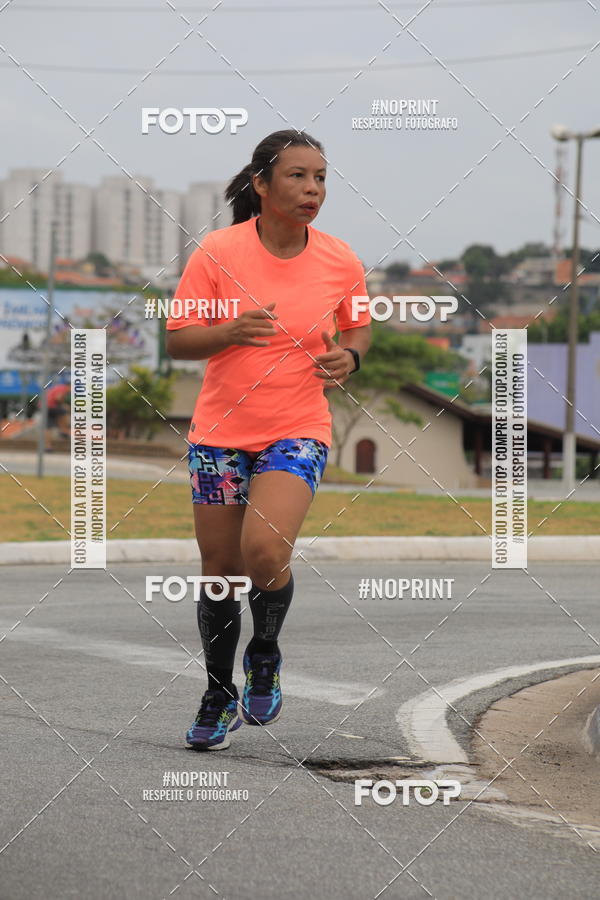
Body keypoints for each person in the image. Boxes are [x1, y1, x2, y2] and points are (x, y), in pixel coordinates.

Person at [166, 129, 371, 750]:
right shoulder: (218, 251)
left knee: (263, 552)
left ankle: (264, 651)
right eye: (299, 177)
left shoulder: (341, 259)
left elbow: (358, 330)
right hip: (221, 432)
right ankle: (217, 693)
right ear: (261, 185)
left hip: (297, 427)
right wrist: (228, 332)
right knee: (220, 570)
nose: (313, 189)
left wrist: (351, 361)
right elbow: (178, 340)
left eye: (321, 177)